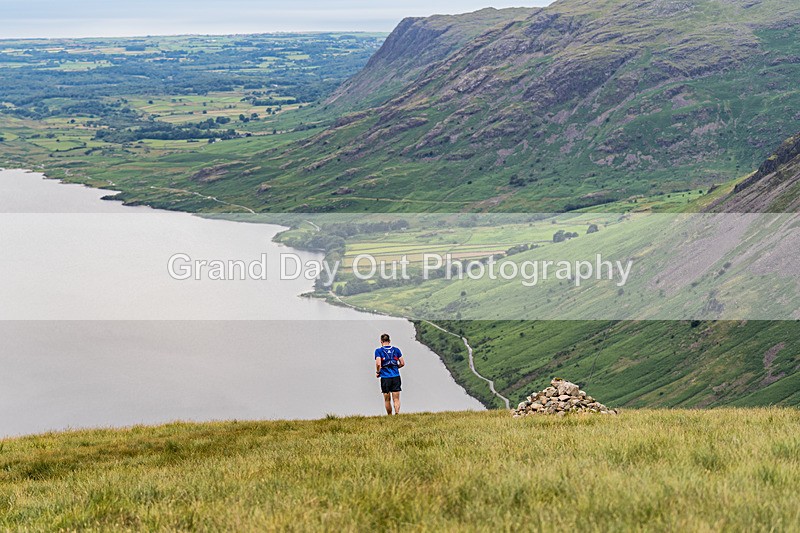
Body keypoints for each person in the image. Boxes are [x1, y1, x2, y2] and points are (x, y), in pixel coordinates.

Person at [375, 333, 405, 415]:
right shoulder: (396, 350)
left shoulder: (378, 351)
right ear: (389, 341)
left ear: (381, 341)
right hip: (395, 376)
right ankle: (397, 413)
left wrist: (378, 372)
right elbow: (402, 363)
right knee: (396, 399)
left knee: (387, 399)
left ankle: (390, 416)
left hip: (385, 377)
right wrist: (396, 367)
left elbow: (378, 363)